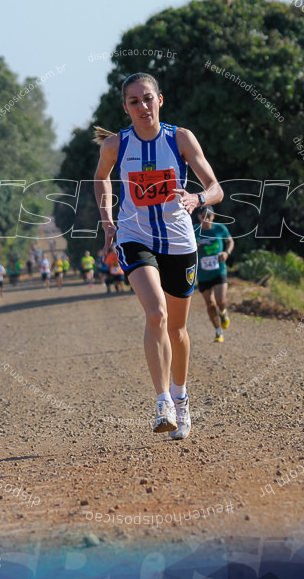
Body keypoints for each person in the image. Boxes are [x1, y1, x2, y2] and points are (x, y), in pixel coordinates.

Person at [94, 72, 223, 440]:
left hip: (180, 241)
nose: (142, 106)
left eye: (147, 98)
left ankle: (182, 398)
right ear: (125, 107)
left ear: (159, 100)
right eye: (134, 101)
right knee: (156, 314)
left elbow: (216, 188)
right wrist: (107, 221)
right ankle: (163, 401)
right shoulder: (116, 145)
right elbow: (101, 178)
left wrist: (197, 198)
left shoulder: (180, 138)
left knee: (178, 329)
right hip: (134, 236)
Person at [195, 206, 234, 343]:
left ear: (213, 216)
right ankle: (218, 331)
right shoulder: (194, 230)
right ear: (198, 217)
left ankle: (223, 312)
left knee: (220, 299)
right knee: (210, 304)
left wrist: (226, 253)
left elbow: (230, 241)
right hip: (203, 273)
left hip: (219, 270)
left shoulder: (220, 228)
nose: (206, 218)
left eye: (208, 215)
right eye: (202, 216)